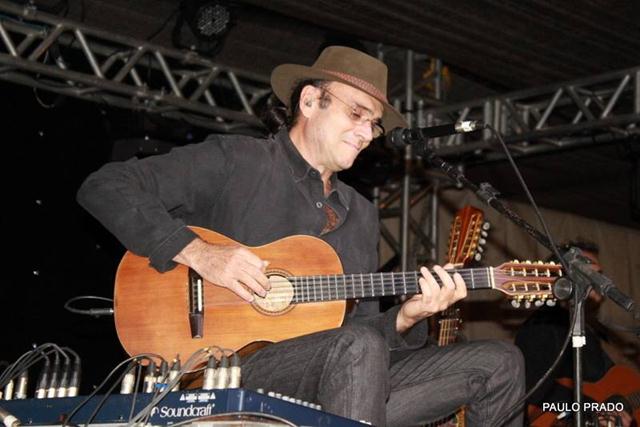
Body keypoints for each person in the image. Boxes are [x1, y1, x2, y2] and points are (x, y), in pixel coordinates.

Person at [77, 45, 524, 426]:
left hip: (340, 380)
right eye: (357, 114)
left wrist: (407, 317)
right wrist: (199, 253)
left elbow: (361, 331)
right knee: (357, 347)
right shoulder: (239, 160)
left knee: (500, 362)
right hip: (225, 366)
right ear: (310, 101)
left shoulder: (362, 214)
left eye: (374, 124)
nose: (367, 134)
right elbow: (105, 186)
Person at [515, 241, 633, 426]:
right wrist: (595, 410)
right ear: (563, 278)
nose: (599, 274)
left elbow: (613, 385)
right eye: (587, 265)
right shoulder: (542, 326)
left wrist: (617, 408)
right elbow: (533, 390)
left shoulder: (590, 331)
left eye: (600, 273)